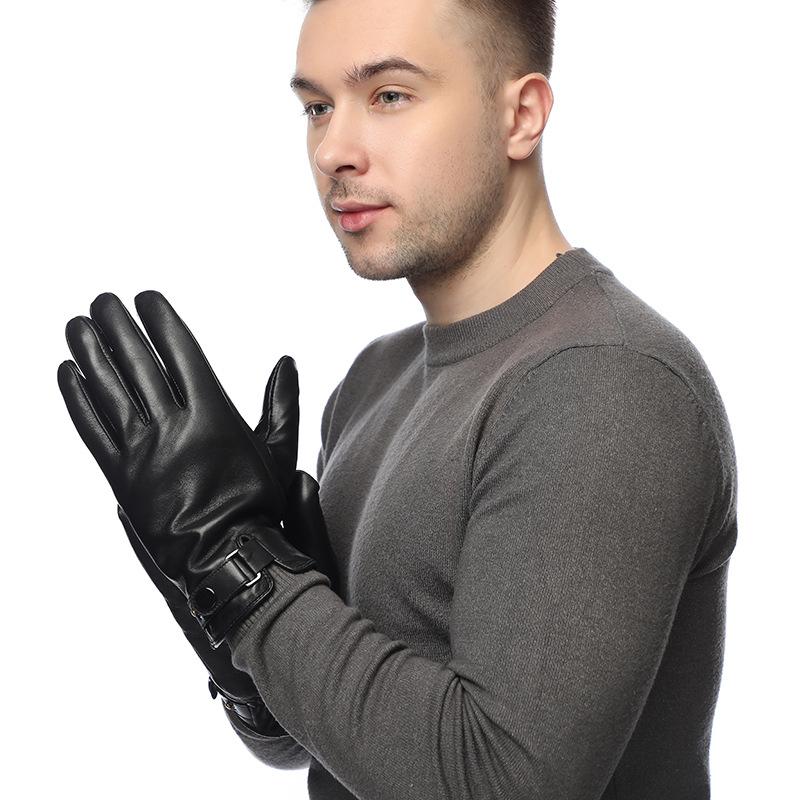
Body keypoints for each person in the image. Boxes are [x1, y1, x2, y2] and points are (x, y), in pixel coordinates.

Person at [218, 1, 739, 798]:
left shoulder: (604, 378)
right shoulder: (373, 381)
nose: (333, 150)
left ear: (521, 115)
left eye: (389, 95)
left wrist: (244, 579)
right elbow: (332, 744)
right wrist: (230, 622)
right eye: (317, 106)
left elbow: (498, 780)